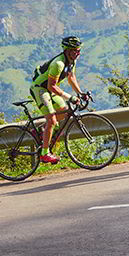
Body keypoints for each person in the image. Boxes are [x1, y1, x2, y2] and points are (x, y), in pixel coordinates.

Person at [29, 36, 88, 164]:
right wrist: (70, 97)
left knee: (65, 111)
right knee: (52, 119)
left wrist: (80, 93)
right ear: (67, 50)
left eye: (78, 50)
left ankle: (40, 131)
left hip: (49, 90)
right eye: (74, 51)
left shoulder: (71, 61)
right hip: (40, 89)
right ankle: (45, 154)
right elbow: (51, 86)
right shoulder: (58, 64)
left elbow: (71, 77)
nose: (78, 53)